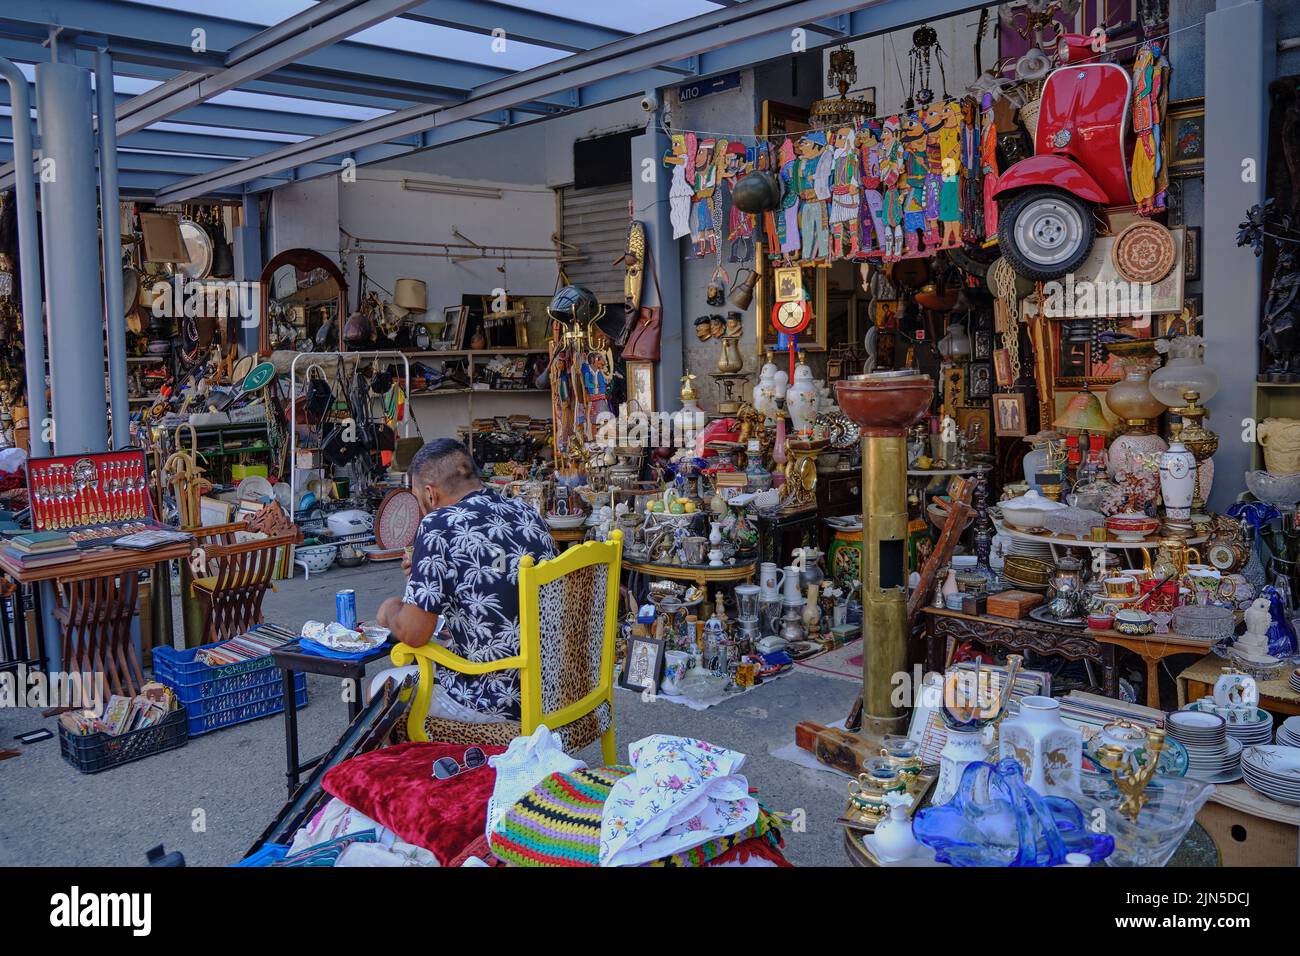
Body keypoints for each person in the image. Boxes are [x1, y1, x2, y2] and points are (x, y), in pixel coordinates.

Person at [372, 439, 557, 723]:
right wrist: (427, 576)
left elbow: (414, 633)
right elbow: (498, 581)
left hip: (498, 699)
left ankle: (433, 767)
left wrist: (390, 610)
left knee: (382, 686)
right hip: (556, 689)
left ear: (430, 495)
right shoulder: (526, 513)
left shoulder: (437, 525)